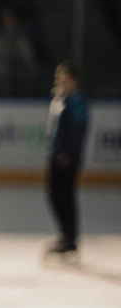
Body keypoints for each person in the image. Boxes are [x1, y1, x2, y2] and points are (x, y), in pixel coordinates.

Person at [44, 61, 89, 258]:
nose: (57, 80)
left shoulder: (77, 101)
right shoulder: (60, 99)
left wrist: (69, 153)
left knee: (66, 197)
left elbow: (80, 130)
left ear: (70, 78)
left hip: (67, 159)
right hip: (56, 156)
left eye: (61, 76)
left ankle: (70, 238)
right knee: (55, 196)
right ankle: (65, 234)